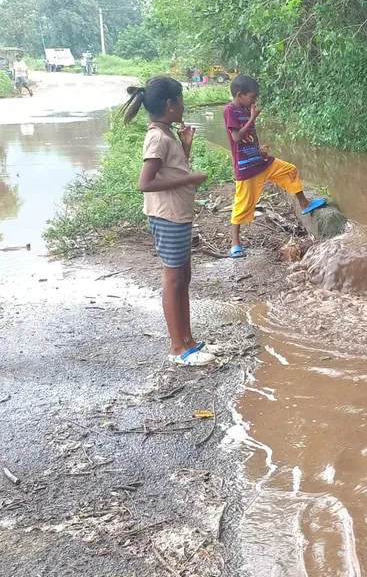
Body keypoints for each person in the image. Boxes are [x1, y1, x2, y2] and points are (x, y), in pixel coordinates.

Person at [124, 77, 217, 367]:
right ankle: (177, 347)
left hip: (178, 213)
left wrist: (186, 147)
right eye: (181, 100)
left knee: (183, 278)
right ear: (170, 105)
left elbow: (171, 170)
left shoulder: (167, 134)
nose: (184, 105)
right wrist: (191, 178)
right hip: (167, 216)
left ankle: (188, 339)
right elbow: (145, 182)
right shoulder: (157, 138)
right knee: (173, 279)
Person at [224, 74, 325, 258]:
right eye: (252, 96)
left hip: (260, 161)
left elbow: (249, 139)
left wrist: (259, 149)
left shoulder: (246, 109)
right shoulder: (230, 110)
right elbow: (237, 137)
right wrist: (252, 118)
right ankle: (235, 242)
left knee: (290, 169)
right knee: (242, 204)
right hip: (247, 168)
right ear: (240, 95)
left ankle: (304, 202)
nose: (254, 100)